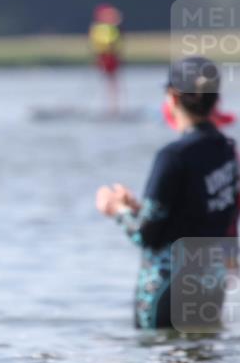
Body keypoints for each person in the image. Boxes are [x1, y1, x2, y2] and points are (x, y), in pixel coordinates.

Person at [96, 56, 239, 330]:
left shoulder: (172, 156)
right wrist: (139, 209)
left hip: (166, 292)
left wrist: (116, 209)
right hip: (210, 286)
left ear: (172, 97)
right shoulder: (227, 150)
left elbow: (145, 235)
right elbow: (203, 216)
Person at [89, 3, 123, 116]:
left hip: (106, 57)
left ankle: (111, 106)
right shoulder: (106, 28)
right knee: (112, 82)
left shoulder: (101, 27)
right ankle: (112, 107)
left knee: (111, 82)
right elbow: (109, 44)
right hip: (107, 57)